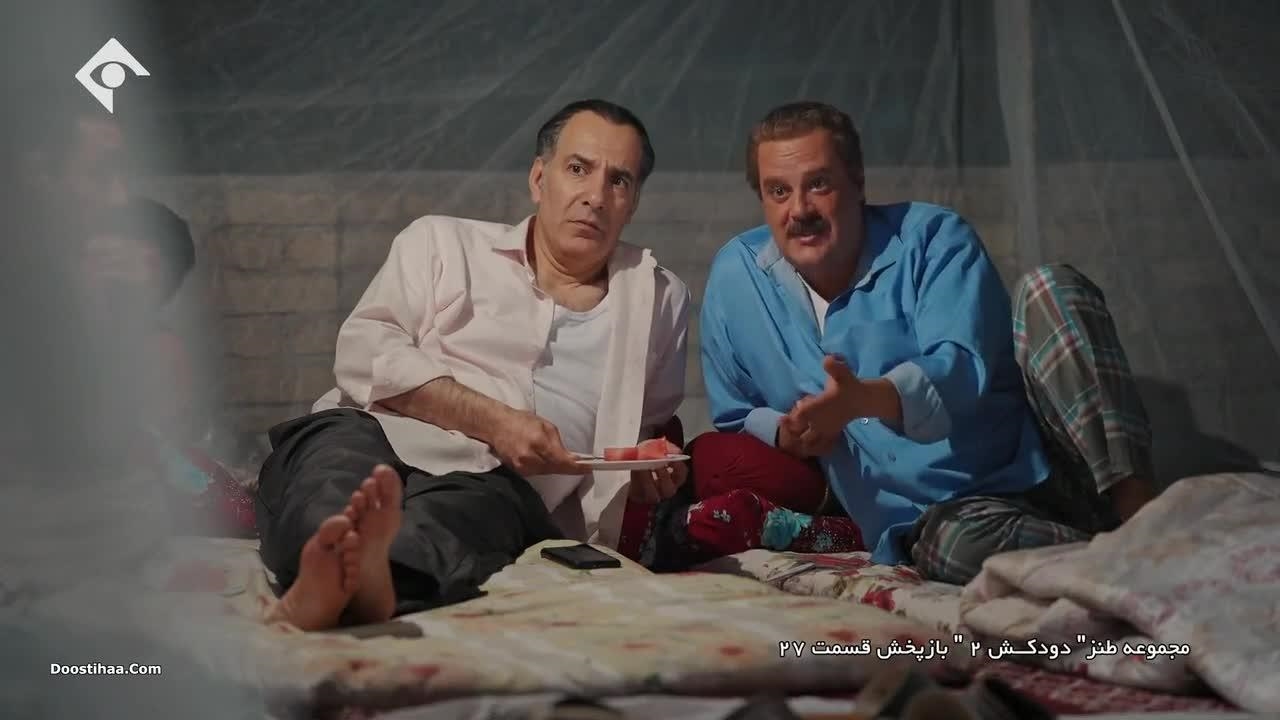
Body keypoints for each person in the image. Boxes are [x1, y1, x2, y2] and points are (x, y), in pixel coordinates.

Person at [254, 99, 692, 631]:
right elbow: (365, 349)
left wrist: (642, 471)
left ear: (633, 201)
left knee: (458, 521)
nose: (595, 197)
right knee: (333, 480)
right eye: (578, 169)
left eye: (618, 180)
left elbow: (641, 431)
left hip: (495, 481)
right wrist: (494, 421)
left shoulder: (659, 298)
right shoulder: (442, 242)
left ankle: (367, 583)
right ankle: (331, 575)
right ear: (539, 179)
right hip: (371, 428)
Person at [693, 101, 1156, 584]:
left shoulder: (934, 237)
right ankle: (1125, 562)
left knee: (1049, 289)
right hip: (946, 519)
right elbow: (736, 412)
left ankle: (1142, 520)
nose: (800, 210)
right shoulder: (736, 277)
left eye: (819, 184)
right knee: (951, 546)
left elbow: (961, 371)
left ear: (858, 182)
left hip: (1038, 467)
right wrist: (788, 434)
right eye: (778, 191)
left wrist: (865, 400)